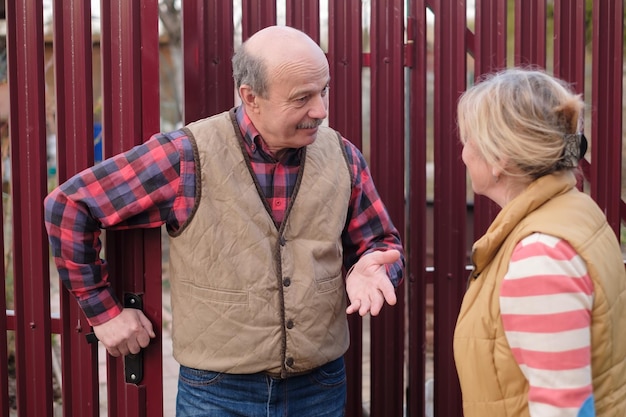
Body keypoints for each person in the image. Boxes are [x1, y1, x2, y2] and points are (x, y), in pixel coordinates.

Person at [44, 25, 404, 416]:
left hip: (319, 387)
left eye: (324, 90)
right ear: (251, 98)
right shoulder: (186, 155)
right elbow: (68, 206)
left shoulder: (343, 156)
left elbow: (380, 243)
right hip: (217, 394)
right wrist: (105, 312)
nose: (321, 110)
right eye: (303, 98)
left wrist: (378, 268)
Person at [453, 68, 626, 417]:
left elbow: (564, 408)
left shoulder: (540, 257)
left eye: (469, 139)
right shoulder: (575, 208)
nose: (464, 153)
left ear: (500, 158)